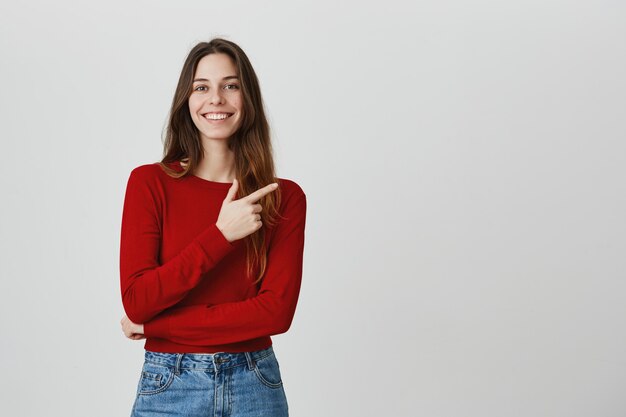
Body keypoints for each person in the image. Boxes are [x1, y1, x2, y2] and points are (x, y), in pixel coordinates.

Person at [118, 38, 307, 417]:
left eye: (230, 85)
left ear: (247, 98)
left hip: (255, 383)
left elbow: (275, 314)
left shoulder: (283, 197)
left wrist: (158, 323)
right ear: (186, 101)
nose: (216, 98)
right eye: (201, 87)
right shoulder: (149, 184)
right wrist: (221, 236)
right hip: (170, 383)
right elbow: (138, 299)